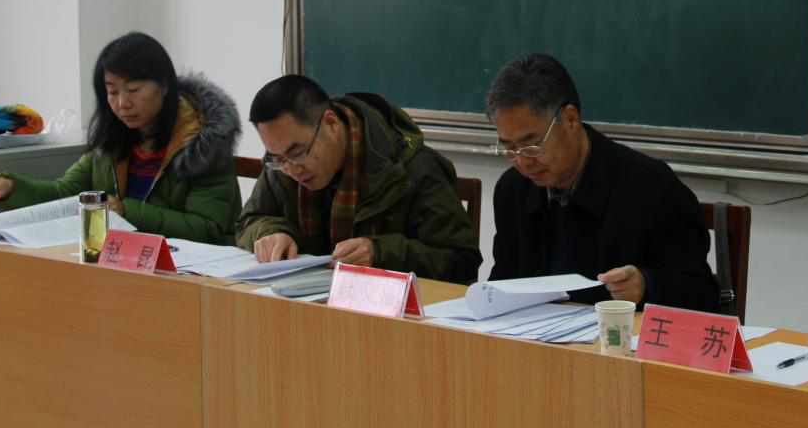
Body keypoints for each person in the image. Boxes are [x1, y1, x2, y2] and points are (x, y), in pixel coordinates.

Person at [0, 31, 243, 244]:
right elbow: (65, 194)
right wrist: (9, 189)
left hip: (191, 274)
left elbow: (208, 228)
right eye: (112, 91)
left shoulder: (204, 145)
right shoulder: (112, 143)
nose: (122, 103)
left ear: (165, 86)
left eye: (133, 90)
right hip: (124, 265)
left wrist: (125, 211)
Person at [486, 53, 719, 312]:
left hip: (617, 335)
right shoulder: (513, 190)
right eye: (509, 148)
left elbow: (702, 293)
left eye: (531, 145)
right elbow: (503, 282)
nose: (522, 161)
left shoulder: (650, 187)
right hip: (535, 333)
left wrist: (646, 285)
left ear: (571, 119)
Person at [236, 75, 481, 283]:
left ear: (331, 123)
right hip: (307, 305)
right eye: (278, 159)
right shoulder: (282, 166)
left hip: (388, 314)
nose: (292, 169)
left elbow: (461, 263)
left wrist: (380, 253)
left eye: (299, 153)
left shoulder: (411, 169)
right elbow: (249, 221)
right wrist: (270, 233)